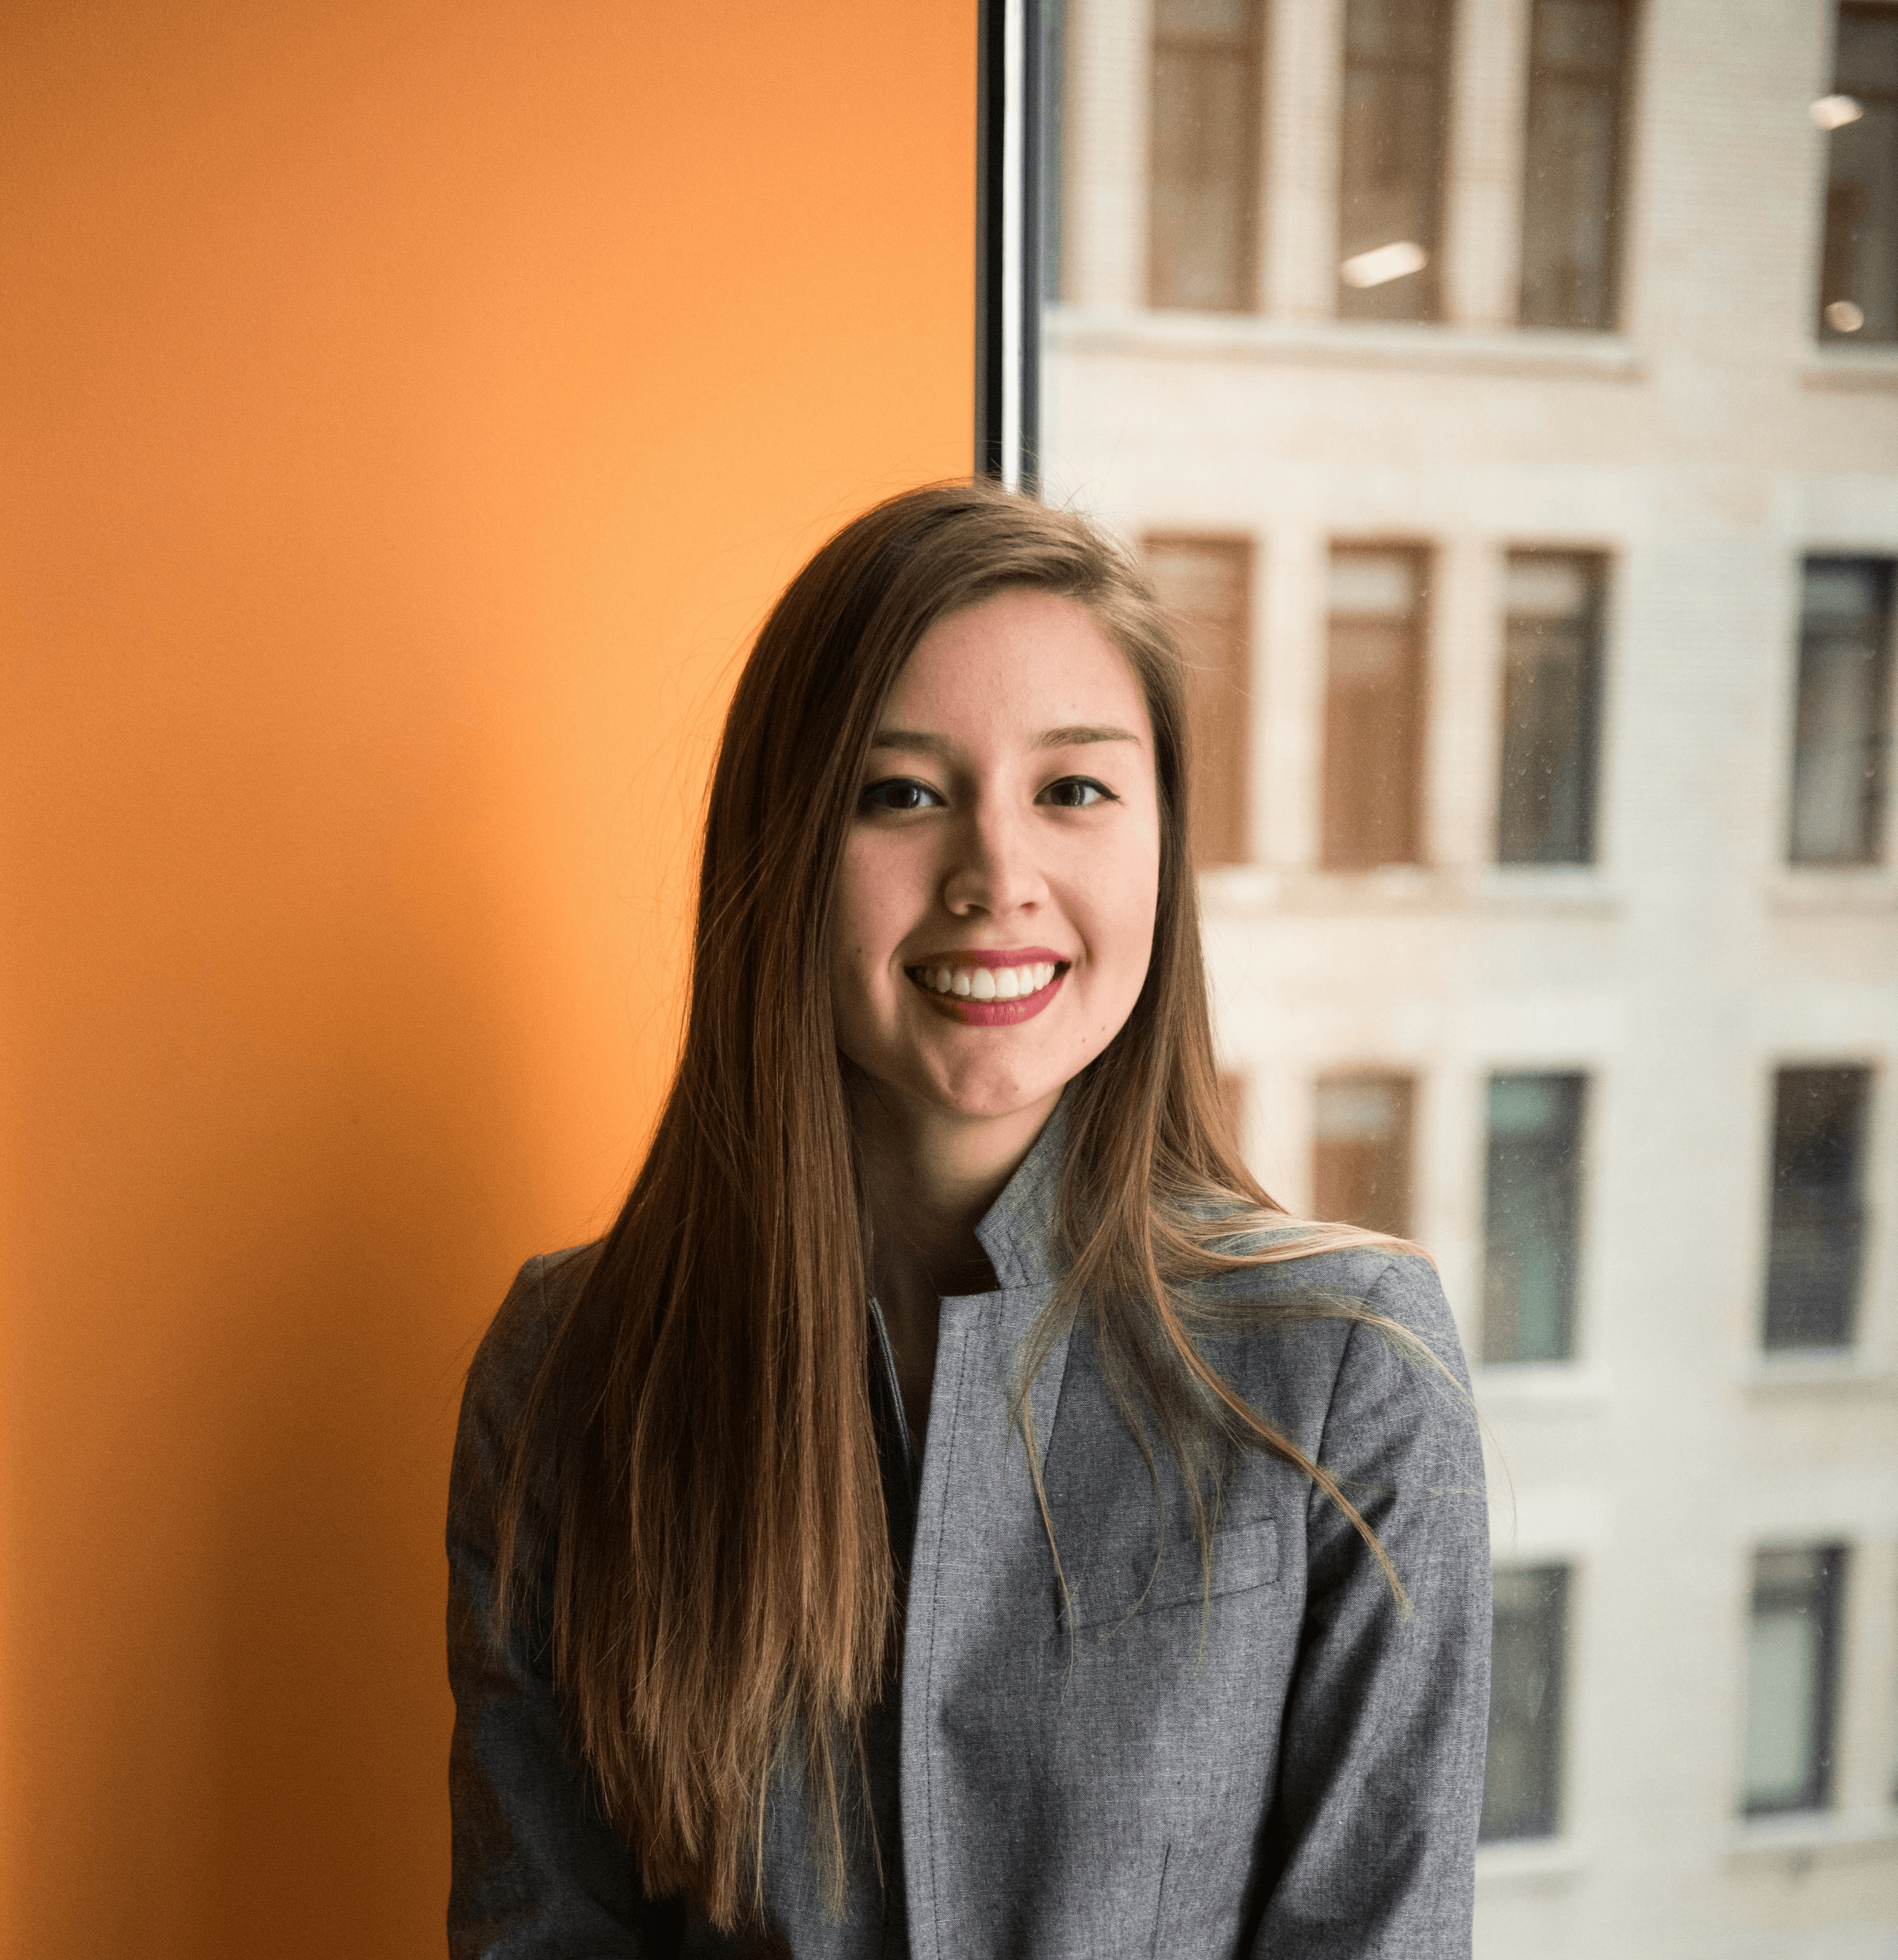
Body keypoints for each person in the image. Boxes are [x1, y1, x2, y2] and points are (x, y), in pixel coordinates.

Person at [447, 481, 1491, 1959]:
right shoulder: (568, 1373)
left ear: (1158, 847)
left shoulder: (1348, 1368)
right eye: (903, 794)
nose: (998, 877)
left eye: (1073, 791)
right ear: (786, 854)